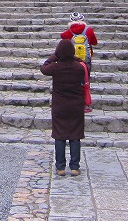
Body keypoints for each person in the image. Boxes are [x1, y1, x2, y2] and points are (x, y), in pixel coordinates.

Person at [41, 39, 86, 177]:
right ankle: (74, 167)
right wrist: (74, 57)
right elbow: (86, 67)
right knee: (75, 135)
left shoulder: (55, 67)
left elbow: (44, 68)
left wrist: (55, 56)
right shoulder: (79, 67)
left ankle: (60, 167)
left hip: (60, 106)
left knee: (59, 135)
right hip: (76, 106)